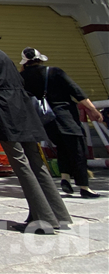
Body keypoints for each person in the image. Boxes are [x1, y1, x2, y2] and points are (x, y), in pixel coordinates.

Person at [0, 21, 71, 233]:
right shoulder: (1, 54)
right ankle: (57, 214)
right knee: (36, 162)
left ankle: (43, 219)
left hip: (4, 109)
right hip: (22, 108)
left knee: (20, 162)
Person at [20, 47, 103, 198]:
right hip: (66, 117)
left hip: (46, 119)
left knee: (62, 148)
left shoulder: (22, 77)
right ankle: (84, 187)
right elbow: (76, 91)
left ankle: (65, 178)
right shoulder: (54, 72)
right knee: (78, 150)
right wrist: (92, 110)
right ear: (40, 59)